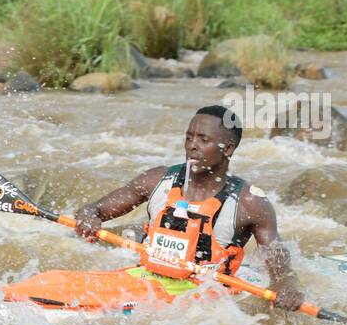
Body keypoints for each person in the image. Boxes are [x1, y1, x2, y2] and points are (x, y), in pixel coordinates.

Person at [71, 104, 305, 310]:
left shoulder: (249, 203)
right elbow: (93, 209)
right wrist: (88, 216)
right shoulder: (156, 179)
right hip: (148, 280)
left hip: (206, 294)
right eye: (189, 137)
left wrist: (286, 286)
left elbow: (280, 265)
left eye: (204, 140)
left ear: (228, 149)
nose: (192, 146)